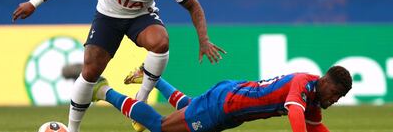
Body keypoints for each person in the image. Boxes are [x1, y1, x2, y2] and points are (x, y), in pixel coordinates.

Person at [12, 0, 226, 132]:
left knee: (161, 43)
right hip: (107, 17)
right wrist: (34, 3)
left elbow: (193, 5)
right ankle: (73, 129)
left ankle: (140, 101)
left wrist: (204, 39)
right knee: (89, 73)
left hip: (140, 16)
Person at [92, 65, 352, 132]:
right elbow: (295, 113)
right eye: (337, 93)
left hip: (230, 99)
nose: (337, 99)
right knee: (161, 127)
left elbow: (317, 127)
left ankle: (153, 78)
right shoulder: (302, 84)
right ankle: (103, 91)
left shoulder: (314, 97)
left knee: (190, 108)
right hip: (225, 106)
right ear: (327, 82)